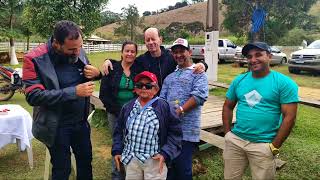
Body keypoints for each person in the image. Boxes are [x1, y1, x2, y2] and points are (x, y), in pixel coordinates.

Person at [22, 20, 101, 180]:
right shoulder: (34, 58)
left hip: (80, 122)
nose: (78, 52)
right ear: (57, 44)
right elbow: (33, 96)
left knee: (86, 162)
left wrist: (97, 73)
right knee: (62, 169)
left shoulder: (77, 48)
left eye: (80, 47)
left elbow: (87, 72)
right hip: (56, 126)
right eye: (72, 49)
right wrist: (74, 92)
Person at [222, 42, 299, 180]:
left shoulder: (284, 83)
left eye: (258, 55)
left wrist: (274, 146)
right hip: (235, 141)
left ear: (269, 56)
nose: (253, 60)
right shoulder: (239, 80)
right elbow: (228, 106)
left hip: (263, 145)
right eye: (249, 56)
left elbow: (290, 117)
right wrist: (228, 134)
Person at [112, 71, 182, 180]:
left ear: (156, 89)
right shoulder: (128, 107)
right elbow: (118, 130)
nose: (144, 88)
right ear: (135, 89)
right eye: (140, 85)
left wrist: (165, 153)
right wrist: (117, 150)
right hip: (131, 159)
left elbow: (175, 133)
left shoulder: (165, 107)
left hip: (154, 160)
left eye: (148, 86)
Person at [160, 38, 208, 180]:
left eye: (182, 51)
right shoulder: (170, 77)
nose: (178, 55)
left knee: (183, 170)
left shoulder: (198, 73)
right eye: (175, 52)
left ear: (190, 52)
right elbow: (162, 99)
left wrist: (180, 110)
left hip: (187, 132)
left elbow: (199, 96)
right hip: (169, 131)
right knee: (169, 169)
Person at [103, 27, 207, 90]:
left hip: (170, 99)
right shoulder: (141, 60)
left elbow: (187, 63)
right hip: (149, 100)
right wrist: (109, 61)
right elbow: (125, 63)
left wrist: (203, 64)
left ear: (160, 39)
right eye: (147, 40)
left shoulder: (171, 56)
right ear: (145, 42)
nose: (151, 42)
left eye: (153, 39)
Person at [99, 41, 142, 180]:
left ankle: (131, 174)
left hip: (135, 114)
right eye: (127, 51)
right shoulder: (112, 68)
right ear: (122, 52)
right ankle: (117, 174)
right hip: (115, 113)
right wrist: (119, 112)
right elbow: (103, 95)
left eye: (132, 51)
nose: (129, 54)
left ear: (136, 54)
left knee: (133, 142)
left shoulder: (139, 70)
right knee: (118, 143)